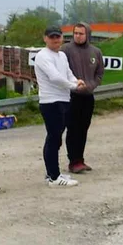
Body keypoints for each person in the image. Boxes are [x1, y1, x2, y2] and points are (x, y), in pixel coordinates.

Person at [34, 26, 85, 187]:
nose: (55, 40)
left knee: (57, 138)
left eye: (58, 37)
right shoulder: (42, 56)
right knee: (53, 137)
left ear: (62, 37)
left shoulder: (62, 55)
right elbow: (55, 77)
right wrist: (73, 86)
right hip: (50, 101)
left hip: (63, 99)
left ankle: (53, 172)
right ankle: (54, 177)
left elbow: (67, 72)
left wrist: (77, 80)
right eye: (52, 37)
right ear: (45, 38)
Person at [61, 22, 104, 174]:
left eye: (81, 33)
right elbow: (62, 72)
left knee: (83, 128)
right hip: (71, 96)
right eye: (76, 33)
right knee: (73, 128)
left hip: (88, 96)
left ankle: (80, 158)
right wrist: (73, 84)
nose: (78, 36)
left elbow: (99, 74)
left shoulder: (95, 52)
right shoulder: (66, 50)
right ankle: (73, 161)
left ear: (88, 35)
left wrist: (91, 85)